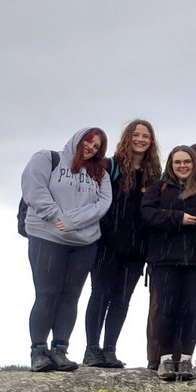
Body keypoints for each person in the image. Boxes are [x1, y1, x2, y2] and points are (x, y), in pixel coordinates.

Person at [21, 127, 113, 372]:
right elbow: (34, 189)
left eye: (97, 146)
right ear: (78, 138)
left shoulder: (99, 173)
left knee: (71, 296)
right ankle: (38, 351)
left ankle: (60, 350)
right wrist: (55, 215)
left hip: (84, 243)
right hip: (47, 236)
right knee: (47, 294)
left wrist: (72, 221)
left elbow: (103, 204)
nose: (91, 148)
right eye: (88, 141)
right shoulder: (46, 158)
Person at [142, 146, 196, 381]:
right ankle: (166, 359)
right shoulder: (159, 187)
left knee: (191, 310)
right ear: (171, 164)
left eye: (187, 161)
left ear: (194, 163)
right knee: (166, 310)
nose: (182, 166)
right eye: (177, 162)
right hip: (164, 259)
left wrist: (187, 217)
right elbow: (148, 214)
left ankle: (186, 359)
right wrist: (178, 218)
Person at [83, 119, 160, 369]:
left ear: (151, 141)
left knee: (122, 299)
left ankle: (109, 350)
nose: (140, 139)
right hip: (106, 244)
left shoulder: (154, 175)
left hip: (136, 249)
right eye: (136, 134)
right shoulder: (109, 167)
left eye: (145, 136)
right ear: (127, 137)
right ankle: (91, 349)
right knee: (100, 294)